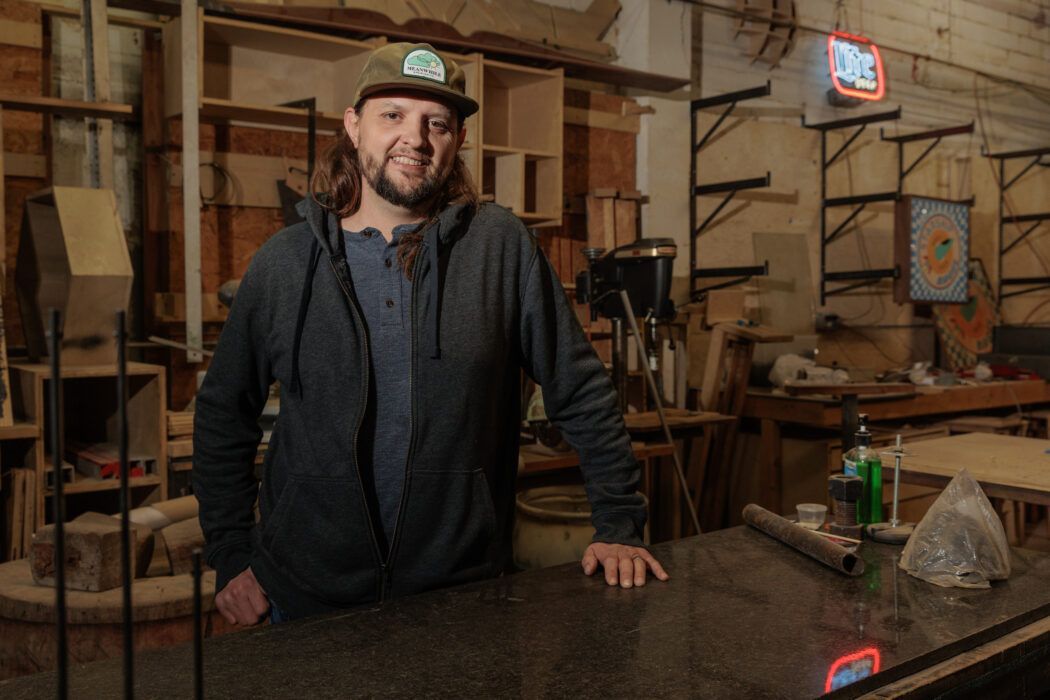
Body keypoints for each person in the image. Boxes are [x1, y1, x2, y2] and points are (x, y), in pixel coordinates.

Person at [193, 42, 668, 626]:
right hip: (305, 599)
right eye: (392, 115)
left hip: (465, 598)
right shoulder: (286, 263)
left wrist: (619, 525)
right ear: (353, 126)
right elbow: (223, 412)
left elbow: (581, 390)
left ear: (457, 140)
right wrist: (231, 551)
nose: (414, 139)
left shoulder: (500, 248)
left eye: (436, 123)